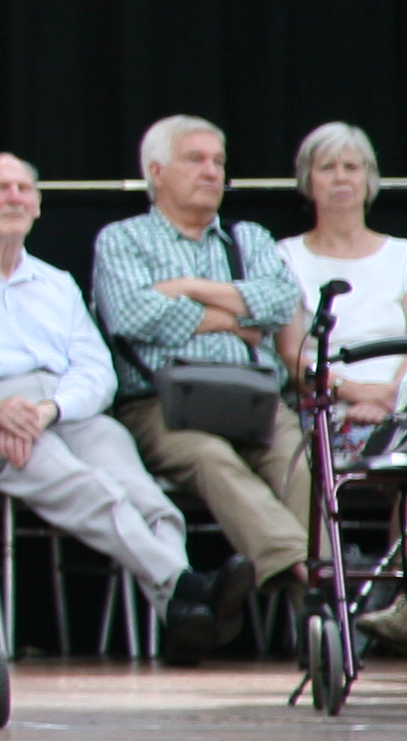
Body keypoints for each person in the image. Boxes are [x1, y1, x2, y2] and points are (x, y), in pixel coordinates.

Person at [94, 113, 311, 663]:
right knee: (215, 463)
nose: (212, 171)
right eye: (196, 159)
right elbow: (132, 315)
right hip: (163, 405)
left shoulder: (249, 237)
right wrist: (233, 316)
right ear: (156, 171)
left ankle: (317, 595)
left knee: (301, 459)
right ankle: (317, 581)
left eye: (218, 161)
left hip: (256, 397)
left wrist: (186, 289)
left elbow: (280, 302)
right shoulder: (122, 240)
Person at [0, 151, 188, 638]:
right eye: (0, 188)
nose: (15, 197)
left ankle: (185, 615)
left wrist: (49, 409)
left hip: (62, 409)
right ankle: (185, 596)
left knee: (149, 498)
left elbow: (97, 371)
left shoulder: (56, 283)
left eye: (25, 189)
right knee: (94, 490)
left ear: (39, 206)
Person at [278, 122, 405, 428]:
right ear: (308, 181)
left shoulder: (403, 255)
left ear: (369, 178)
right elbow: (291, 356)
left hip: (399, 403)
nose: (341, 177)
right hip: (325, 407)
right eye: (327, 167)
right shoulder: (285, 256)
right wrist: (354, 394)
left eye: (351, 167)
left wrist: (391, 398)